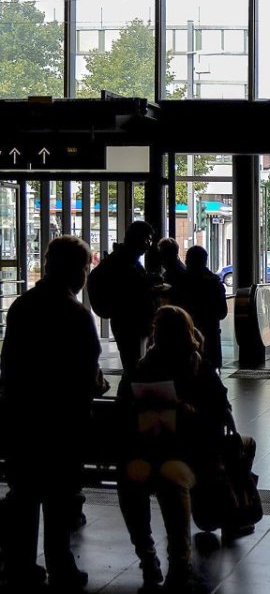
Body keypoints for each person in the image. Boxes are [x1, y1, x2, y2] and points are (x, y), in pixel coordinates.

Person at [0, 236, 100, 591]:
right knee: (58, 498)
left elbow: (9, 365)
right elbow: (87, 377)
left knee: (24, 495)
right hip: (61, 425)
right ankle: (61, 565)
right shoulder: (75, 315)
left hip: (22, 420)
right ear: (77, 270)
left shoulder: (21, 307)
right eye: (86, 268)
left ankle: (19, 564)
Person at [118, 305, 234, 593]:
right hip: (188, 452)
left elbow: (123, 409)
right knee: (170, 479)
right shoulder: (200, 367)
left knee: (133, 479)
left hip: (155, 450)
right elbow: (220, 412)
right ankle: (179, 562)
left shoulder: (142, 367)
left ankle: (148, 557)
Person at [88, 220, 161, 376]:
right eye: (147, 240)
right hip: (130, 323)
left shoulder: (125, 262)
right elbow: (130, 292)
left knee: (134, 368)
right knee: (135, 369)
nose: (148, 245)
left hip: (132, 323)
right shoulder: (121, 264)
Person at [169, 246, 229, 370]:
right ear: (204, 261)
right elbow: (222, 313)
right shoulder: (214, 283)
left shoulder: (180, 283)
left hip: (185, 335)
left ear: (187, 261)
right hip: (210, 334)